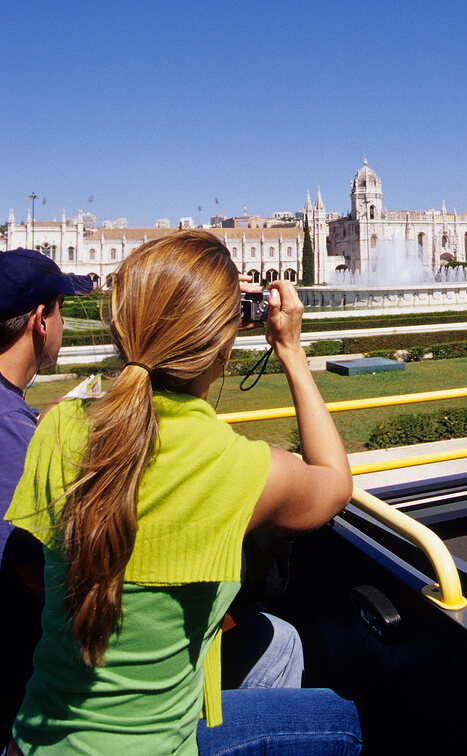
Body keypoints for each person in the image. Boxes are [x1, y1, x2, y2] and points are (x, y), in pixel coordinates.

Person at [5, 230, 361, 756]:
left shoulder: (58, 427)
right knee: (342, 719)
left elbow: (33, 567)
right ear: (223, 340)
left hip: (30, 743)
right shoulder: (235, 466)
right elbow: (335, 480)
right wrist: (289, 349)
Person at [0, 249, 94, 745]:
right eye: (61, 310)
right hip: (28, 705)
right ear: (40, 320)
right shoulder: (12, 433)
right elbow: (40, 578)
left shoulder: (15, 420)